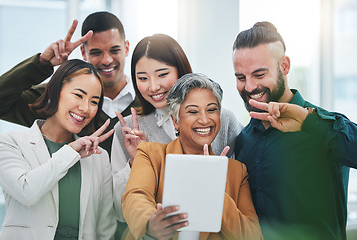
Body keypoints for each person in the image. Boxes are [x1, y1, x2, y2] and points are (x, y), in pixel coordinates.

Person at [232, 21, 357, 240]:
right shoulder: (243, 140)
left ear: (285, 66)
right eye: (241, 78)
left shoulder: (324, 127)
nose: (249, 87)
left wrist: (309, 122)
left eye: (259, 74)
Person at [111, 34, 243, 220]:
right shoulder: (126, 131)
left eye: (162, 75)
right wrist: (138, 162)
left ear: (180, 71)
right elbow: (118, 211)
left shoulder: (221, 120)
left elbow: (242, 189)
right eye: (143, 78)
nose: (153, 86)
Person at [121, 73, 262, 240]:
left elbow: (252, 236)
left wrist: (215, 193)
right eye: (193, 111)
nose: (204, 119)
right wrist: (150, 222)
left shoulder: (237, 172)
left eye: (211, 110)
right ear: (175, 121)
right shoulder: (150, 154)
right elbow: (135, 195)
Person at [0, 11, 137, 156]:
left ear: (126, 48)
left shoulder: (149, 98)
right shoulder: (56, 99)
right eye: (96, 52)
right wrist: (41, 64)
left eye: (114, 50)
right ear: (83, 53)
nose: (107, 60)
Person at [0, 59, 116, 240]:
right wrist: (70, 151)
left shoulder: (99, 157)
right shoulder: (7, 143)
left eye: (94, 101)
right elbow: (27, 191)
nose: (85, 108)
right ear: (55, 92)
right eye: (79, 95)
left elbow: (105, 229)